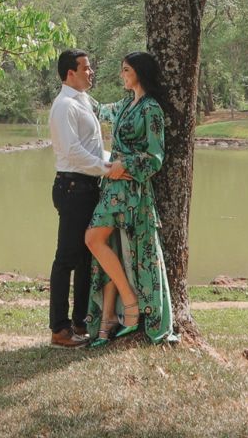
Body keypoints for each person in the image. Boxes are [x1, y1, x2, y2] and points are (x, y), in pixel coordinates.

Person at [83, 50, 175, 345]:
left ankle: (133, 306)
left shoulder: (151, 109)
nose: (121, 74)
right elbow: (98, 111)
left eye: (126, 70)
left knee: (94, 239)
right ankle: (110, 319)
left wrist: (125, 165)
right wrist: (76, 91)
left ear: (139, 72)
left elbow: (155, 156)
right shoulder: (125, 104)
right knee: (105, 243)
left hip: (131, 188)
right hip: (112, 186)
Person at [45, 48, 105, 348]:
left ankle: (81, 322)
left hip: (88, 186)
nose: (90, 72)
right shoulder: (63, 106)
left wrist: (112, 162)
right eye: (86, 68)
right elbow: (73, 153)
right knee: (67, 259)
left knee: (85, 259)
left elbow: (91, 148)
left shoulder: (82, 101)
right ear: (71, 73)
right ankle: (59, 329)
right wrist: (108, 168)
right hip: (72, 187)